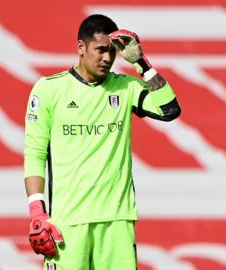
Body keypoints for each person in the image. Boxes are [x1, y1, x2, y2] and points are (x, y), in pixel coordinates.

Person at [24, 14, 181, 269]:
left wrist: (141, 63)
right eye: (99, 50)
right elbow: (34, 153)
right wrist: (37, 213)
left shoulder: (126, 87)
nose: (107, 58)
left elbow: (170, 109)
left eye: (111, 51)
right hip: (68, 224)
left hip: (117, 221)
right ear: (80, 48)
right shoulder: (49, 90)